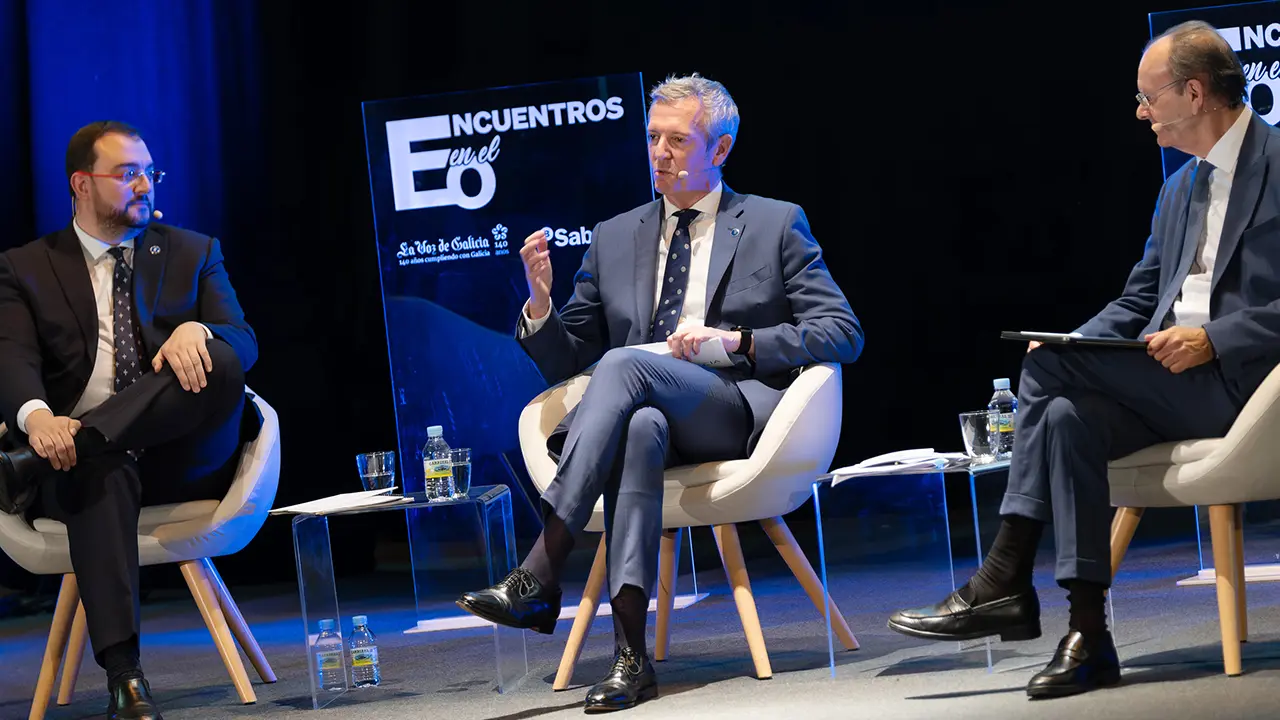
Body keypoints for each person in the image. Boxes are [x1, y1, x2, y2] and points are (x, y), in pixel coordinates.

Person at [887, 20, 1280, 698]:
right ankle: (1088, 634)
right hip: (1166, 381)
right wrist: (1069, 346)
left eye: (1148, 96)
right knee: (1065, 412)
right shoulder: (1179, 189)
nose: (1140, 111)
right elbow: (1136, 301)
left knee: (1050, 380)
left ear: (1193, 92)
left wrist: (1217, 338)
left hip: (1244, 387)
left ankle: (1004, 573)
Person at [454, 73, 862, 712]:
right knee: (639, 422)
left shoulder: (775, 224)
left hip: (729, 409)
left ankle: (541, 567)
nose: (660, 154)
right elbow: (570, 361)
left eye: (677, 140)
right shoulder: (615, 235)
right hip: (636, 413)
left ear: (719, 150)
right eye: (652, 138)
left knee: (625, 371)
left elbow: (842, 331)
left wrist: (740, 343)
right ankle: (630, 659)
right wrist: (539, 307)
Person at [0, 121, 259, 720]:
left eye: (149, 172)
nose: (145, 184)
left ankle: (83, 439)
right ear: (81, 184)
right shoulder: (26, 268)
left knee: (216, 357)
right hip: (79, 465)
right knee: (102, 469)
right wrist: (39, 420)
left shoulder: (193, 250)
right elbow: (10, 358)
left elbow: (244, 343)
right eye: (128, 174)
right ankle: (126, 678)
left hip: (184, 457)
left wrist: (201, 329)